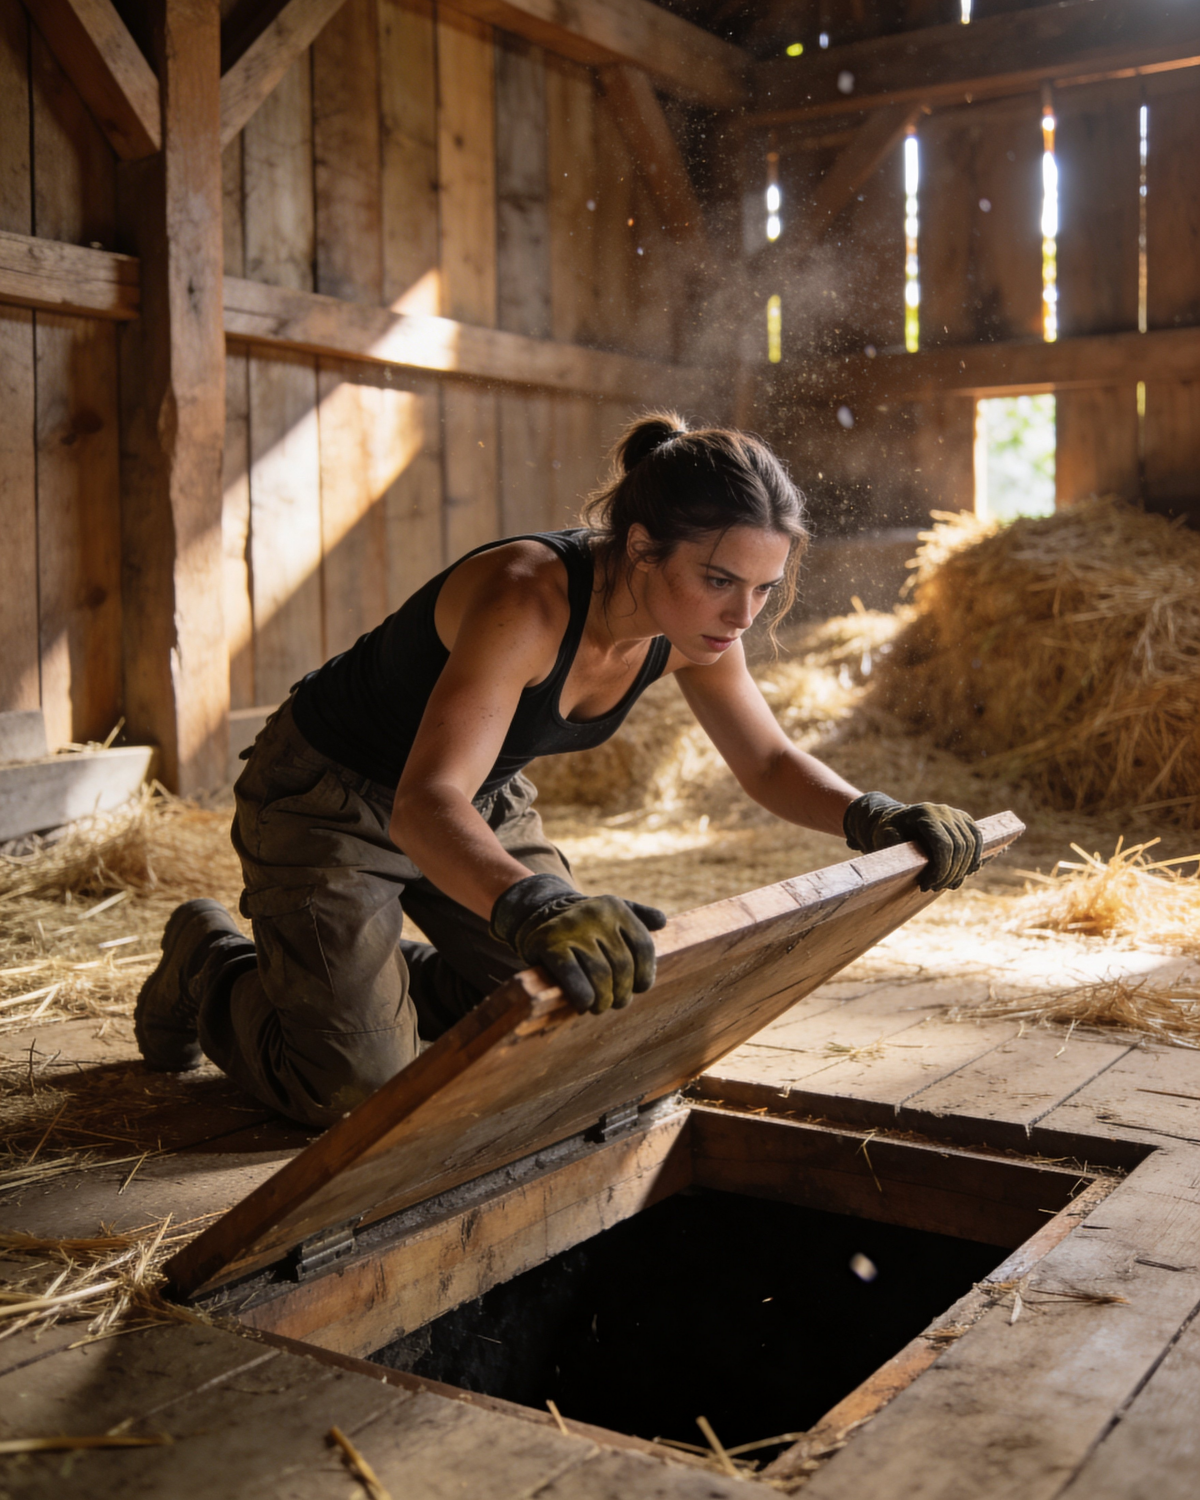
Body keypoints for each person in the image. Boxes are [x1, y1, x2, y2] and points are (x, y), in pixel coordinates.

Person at [135, 413, 982, 1128]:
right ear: (643, 548)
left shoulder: (694, 627)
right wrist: (533, 903)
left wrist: (874, 816)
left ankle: (382, 985)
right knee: (355, 1093)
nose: (743, 614)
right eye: (721, 580)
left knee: (577, 1012)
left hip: (479, 798)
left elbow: (765, 761)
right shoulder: (527, 595)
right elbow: (423, 804)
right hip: (329, 797)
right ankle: (211, 962)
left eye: (764, 587)